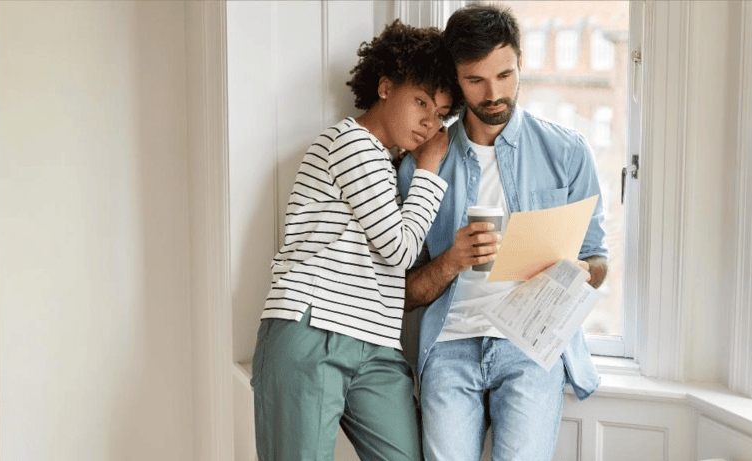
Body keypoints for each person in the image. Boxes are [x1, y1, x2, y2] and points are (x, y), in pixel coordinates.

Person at [396, 3, 609, 460]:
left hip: (531, 347)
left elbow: (598, 259)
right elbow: (404, 292)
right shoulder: (422, 164)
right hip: (450, 347)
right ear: (455, 79)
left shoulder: (567, 152)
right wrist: (452, 260)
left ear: (519, 65)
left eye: (506, 75)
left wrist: (576, 273)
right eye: (476, 80)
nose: (494, 93)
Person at [251, 20, 462, 461]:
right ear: (385, 86)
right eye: (421, 101)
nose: (429, 123)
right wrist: (430, 167)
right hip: (312, 330)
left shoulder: (385, 167)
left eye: (441, 114)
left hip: (376, 343)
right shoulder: (350, 142)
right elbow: (399, 249)